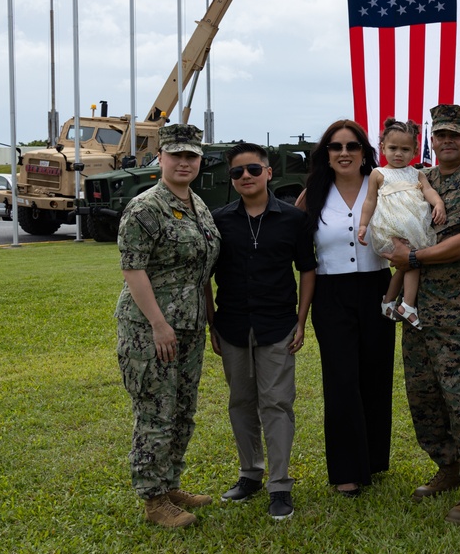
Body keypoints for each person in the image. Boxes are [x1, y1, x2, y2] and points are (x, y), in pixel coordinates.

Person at [383, 104, 460, 524]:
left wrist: (412, 255)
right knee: (425, 399)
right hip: (418, 313)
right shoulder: (419, 180)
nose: (447, 141)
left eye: (456, 135)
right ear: (431, 140)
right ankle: (448, 467)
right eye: (441, 135)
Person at [114, 124, 220, 528]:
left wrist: (209, 320)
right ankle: (154, 500)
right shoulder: (145, 208)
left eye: (191, 156)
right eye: (175, 155)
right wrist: (158, 325)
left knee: (182, 410)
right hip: (151, 329)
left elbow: (202, 271)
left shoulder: (198, 204)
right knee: (156, 412)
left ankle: (171, 483)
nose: (183, 162)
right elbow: (133, 270)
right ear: (161, 158)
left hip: (189, 326)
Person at [207, 143, 316, 520]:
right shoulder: (218, 220)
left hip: (277, 325)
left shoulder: (292, 219)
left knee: (277, 404)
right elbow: (204, 276)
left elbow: (307, 269)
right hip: (232, 324)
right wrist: (211, 323)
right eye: (237, 172)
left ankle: (280, 485)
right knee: (240, 403)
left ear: (268, 172)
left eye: (253, 169)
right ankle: (249, 473)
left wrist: (301, 320)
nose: (246, 177)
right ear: (231, 178)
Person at [296, 120, 395, 498]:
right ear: (326, 154)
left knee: (375, 374)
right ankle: (346, 471)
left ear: (364, 151)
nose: (344, 153)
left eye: (352, 146)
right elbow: (296, 238)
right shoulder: (315, 192)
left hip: (378, 288)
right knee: (340, 380)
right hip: (331, 292)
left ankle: (372, 459)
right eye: (335, 147)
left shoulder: (383, 183)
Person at [358, 118, 446, 329]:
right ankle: (407, 304)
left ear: (415, 150)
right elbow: (370, 200)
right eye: (393, 148)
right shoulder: (378, 174)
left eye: (405, 149)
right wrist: (363, 225)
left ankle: (388, 301)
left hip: (414, 226)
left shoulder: (417, 173)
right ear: (382, 148)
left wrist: (438, 204)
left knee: (405, 265)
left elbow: (428, 191)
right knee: (412, 262)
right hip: (392, 227)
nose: (399, 153)